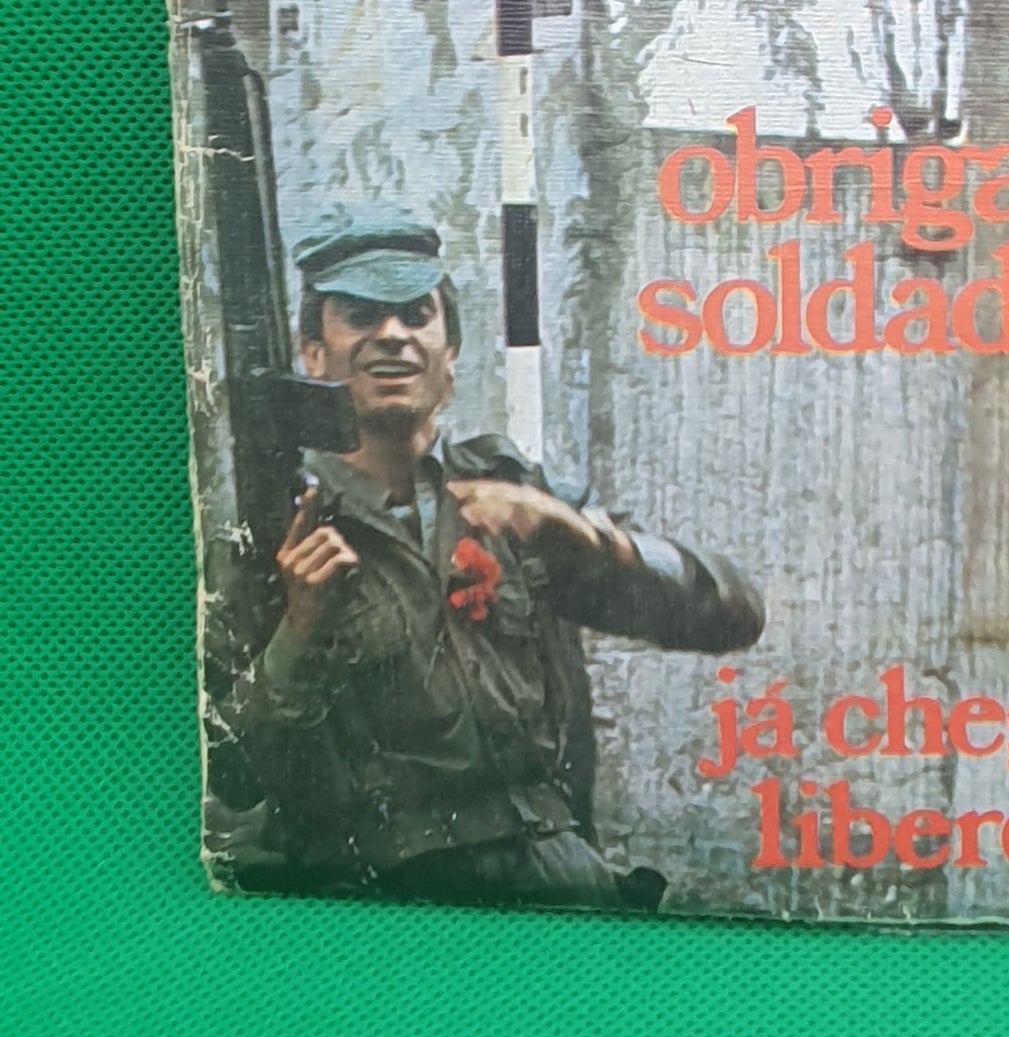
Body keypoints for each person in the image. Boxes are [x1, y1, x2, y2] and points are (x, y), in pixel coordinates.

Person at [211, 201, 764, 910]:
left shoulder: (517, 496)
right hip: (376, 897)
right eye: (360, 315)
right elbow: (230, 776)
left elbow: (730, 614)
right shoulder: (269, 534)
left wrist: (588, 538)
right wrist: (299, 631)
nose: (392, 336)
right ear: (313, 354)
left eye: (417, 315)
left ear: (449, 356)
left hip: (553, 877)